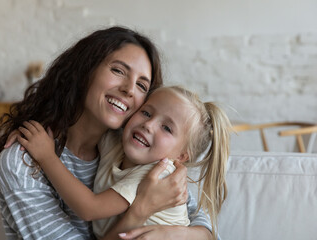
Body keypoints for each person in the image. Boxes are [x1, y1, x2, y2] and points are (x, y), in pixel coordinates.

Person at [0, 26, 214, 240]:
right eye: (118, 70)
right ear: (84, 71)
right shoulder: (23, 162)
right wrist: (140, 210)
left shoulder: (132, 152)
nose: (129, 89)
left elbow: (206, 230)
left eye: (142, 86)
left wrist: (176, 234)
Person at [16, 86, 231, 240]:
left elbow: (89, 208)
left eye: (166, 128)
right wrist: (35, 128)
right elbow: (82, 123)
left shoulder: (156, 175)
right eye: (146, 112)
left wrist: (46, 156)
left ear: (182, 156)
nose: (148, 125)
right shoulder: (118, 144)